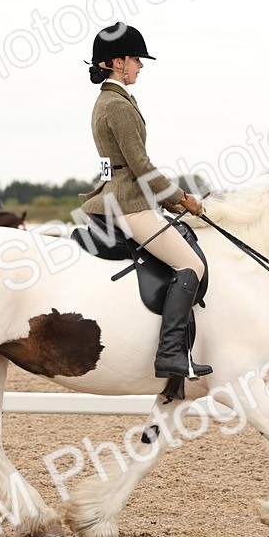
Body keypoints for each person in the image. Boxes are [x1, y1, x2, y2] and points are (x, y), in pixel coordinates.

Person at [78, 22, 211, 380]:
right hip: (127, 204)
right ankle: (171, 354)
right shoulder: (117, 105)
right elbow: (140, 165)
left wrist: (167, 202)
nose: (141, 65)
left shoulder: (113, 99)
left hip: (120, 197)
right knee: (191, 266)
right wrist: (180, 198)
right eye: (136, 59)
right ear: (117, 62)